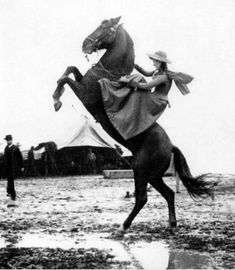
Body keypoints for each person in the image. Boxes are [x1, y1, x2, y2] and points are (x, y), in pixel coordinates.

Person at [99, 50, 193, 140]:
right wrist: (134, 65)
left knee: (135, 95)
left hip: (158, 100)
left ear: (161, 62)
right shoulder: (157, 72)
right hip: (154, 96)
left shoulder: (163, 77)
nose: (153, 63)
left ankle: (125, 117)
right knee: (138, 78)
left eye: (155, 61)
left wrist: (133, 83)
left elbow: (148, 86)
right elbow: (146, 73)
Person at [2, 135, 23, 200]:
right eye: (7, 140)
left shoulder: (15, 148)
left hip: (13, 167)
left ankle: (13, 194)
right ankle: (10, 192)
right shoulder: (6, 148)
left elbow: (20, 158)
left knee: (11, 181)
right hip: (7, 167)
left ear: (11, 140)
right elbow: (5, 158)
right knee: (9, 180)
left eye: (9, 140)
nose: (8, 141)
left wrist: (22, 166)